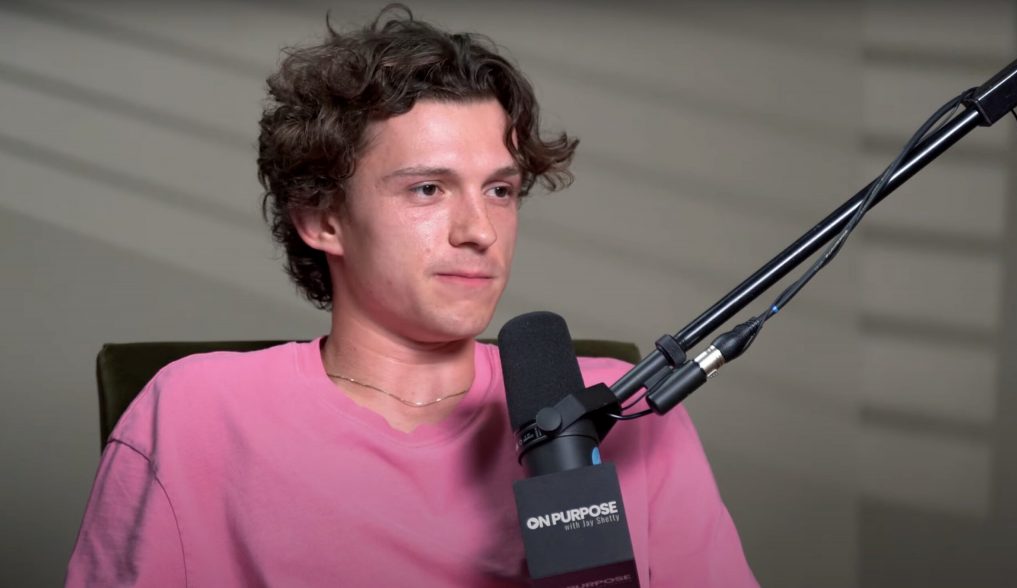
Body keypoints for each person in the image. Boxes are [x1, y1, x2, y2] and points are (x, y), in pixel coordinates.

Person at [66, 6, 757, 587]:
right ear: (322, 219)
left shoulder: (627, 409)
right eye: (428, 189)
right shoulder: (195, 414)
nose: (479, 231)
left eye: (500, 190)